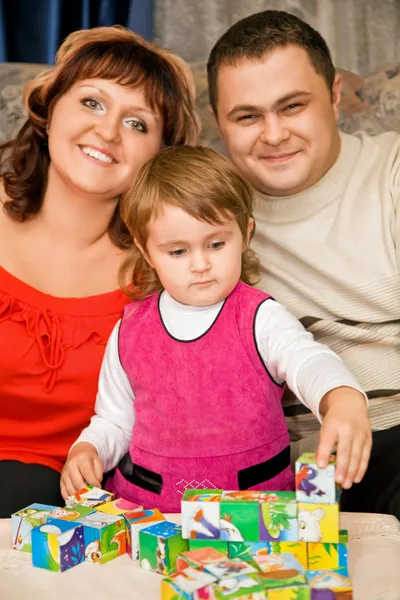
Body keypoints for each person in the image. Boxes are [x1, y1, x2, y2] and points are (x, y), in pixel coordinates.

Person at [61, 145, 371, 513]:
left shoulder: (259, 317)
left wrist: (342, 397)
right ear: (147, 252)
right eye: (177, 251)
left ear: (245, 234)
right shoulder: (129, 329)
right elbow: (114, 420)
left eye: (216, 244)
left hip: (253, 513)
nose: (200, 264)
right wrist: (88, 448)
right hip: (150, 513)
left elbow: (308, 360)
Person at [206, 10, 400, 517]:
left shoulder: (392, 173)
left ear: (335, 95)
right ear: (217, 119)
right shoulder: (207, 213)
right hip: (275, 460)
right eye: (247, 116)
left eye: (292, 106)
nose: (272, 135)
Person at [0, 26, 199, 517]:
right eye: (92, 102)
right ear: (49, 111)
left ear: (159, 157)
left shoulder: (164, 272)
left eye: (138, 124)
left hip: (54, 491)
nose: (108, 132)